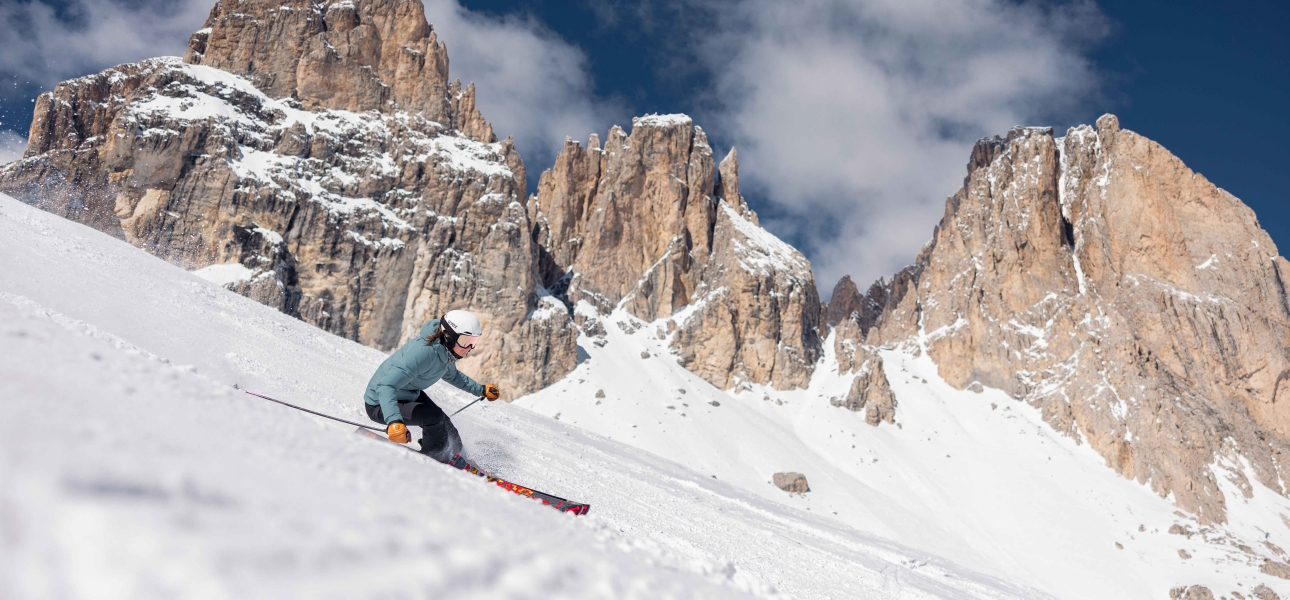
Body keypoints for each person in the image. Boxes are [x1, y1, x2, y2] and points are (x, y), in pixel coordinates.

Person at [363, 310, 501, 462]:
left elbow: (453, 376)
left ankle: (458, 456)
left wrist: (480, 390)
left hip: (408, 393)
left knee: (447, 428)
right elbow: (385, 387)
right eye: (465, 341)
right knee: (433, 418)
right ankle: (433, 459)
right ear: (449, 337)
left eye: (473, 342)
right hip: (380, 403)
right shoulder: (424, 353)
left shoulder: (446, 353)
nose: (468, 347)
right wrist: (394, 421)